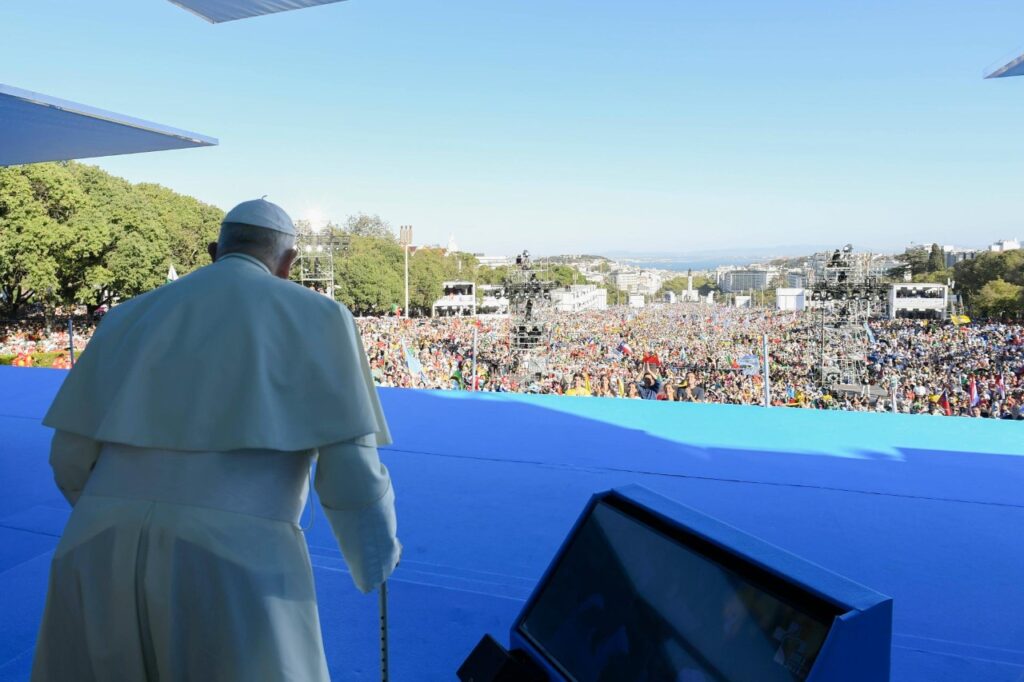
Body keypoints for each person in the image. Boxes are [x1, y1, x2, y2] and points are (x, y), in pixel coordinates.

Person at [33, 199, 400, 681]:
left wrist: (113, 511)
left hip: (96, 544)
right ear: (288, 263)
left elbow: (69, 456)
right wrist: (374, 558)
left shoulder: (127, 315)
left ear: (213, 251)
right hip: (234, 559)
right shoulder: (321, 315)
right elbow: (351, 471)